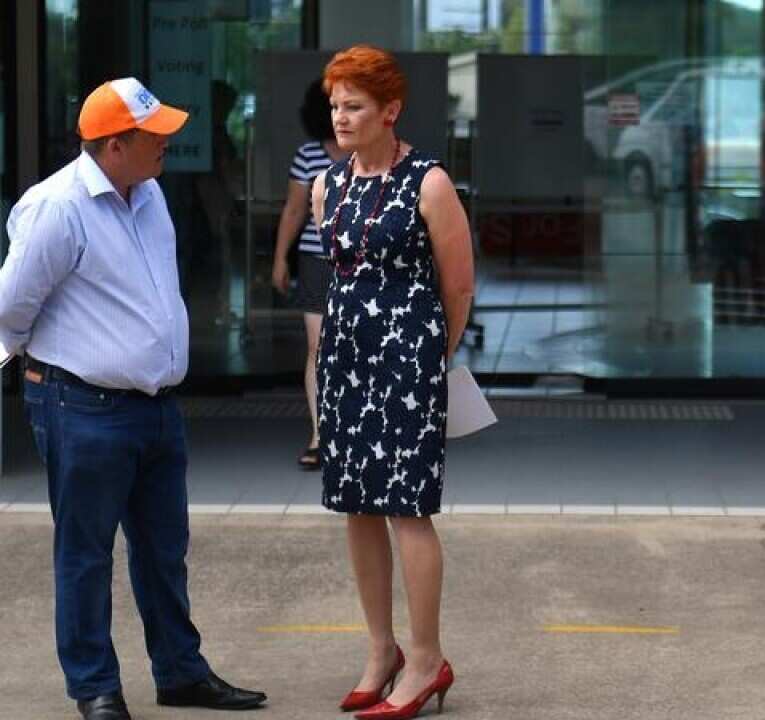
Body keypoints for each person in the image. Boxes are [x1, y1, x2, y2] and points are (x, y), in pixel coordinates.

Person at [0, 78, 266, 720]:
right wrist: (43, 374)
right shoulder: (57, 207)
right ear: (114, 146)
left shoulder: (148, 195)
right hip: (83, 406)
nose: (168, 143)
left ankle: (181, 673)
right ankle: (95, 686)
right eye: (155, 135)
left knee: (164, 549)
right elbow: (10, 307)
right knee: (86, 554)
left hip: (156, 406)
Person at [312, 46, 475, 719]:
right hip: (345, 361)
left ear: (390, 111)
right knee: (357, 506)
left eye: (355, 106)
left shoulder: (429, 182)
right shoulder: (328, 185)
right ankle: (381, 650)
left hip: (407, 364)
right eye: (336, 106)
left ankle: (427, 659)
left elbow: (458, 286)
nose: (341, 117)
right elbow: (339, 275)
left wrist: (432, 355)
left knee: (409, 509)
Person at [271, 78, 349, 469]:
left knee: (361, 346)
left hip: (362, 262)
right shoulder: (309, 154)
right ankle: (320, 434)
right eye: (336, 106)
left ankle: (356, 432)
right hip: (316, 260)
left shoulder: (372, 152)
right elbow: (294, 209)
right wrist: (280, 259)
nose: (343, 114)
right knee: (318, 347)